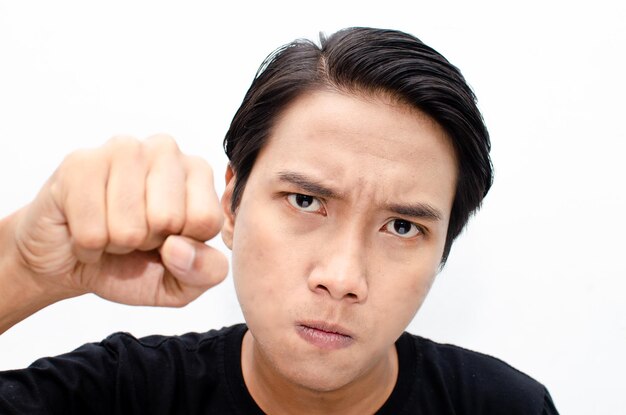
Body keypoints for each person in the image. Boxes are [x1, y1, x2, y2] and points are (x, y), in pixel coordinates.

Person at [0, 27, 558, 414]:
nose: (342, 278)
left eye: (403, 227)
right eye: (306, 201)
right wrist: (24, 270)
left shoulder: (506, 406)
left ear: (443, 253)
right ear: (232, 204)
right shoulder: (117, 395)